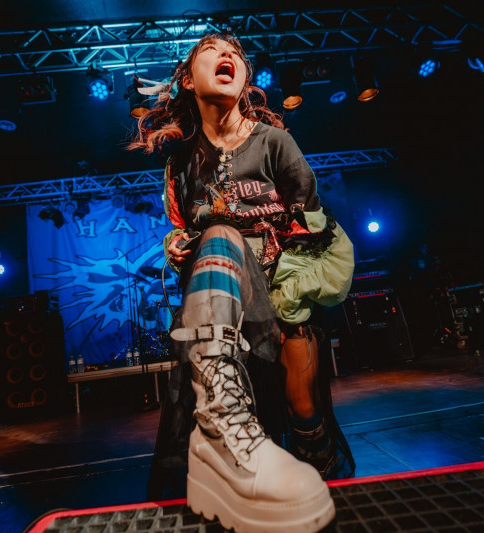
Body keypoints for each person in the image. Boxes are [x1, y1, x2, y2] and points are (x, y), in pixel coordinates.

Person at [128, 33, 356, 532]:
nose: (227, 54)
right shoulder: (181, 164)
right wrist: (176, 245)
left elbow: (312, 226)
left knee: (303, 411)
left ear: (246, 76)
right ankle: (220, 411)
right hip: (221, 301)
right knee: (219, 234)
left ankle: (320, 484)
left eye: (235, 52)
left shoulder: (274, 142)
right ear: (189, 81)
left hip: (281, 286)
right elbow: (181, 228)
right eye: (211, 51)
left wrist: (289, 301)